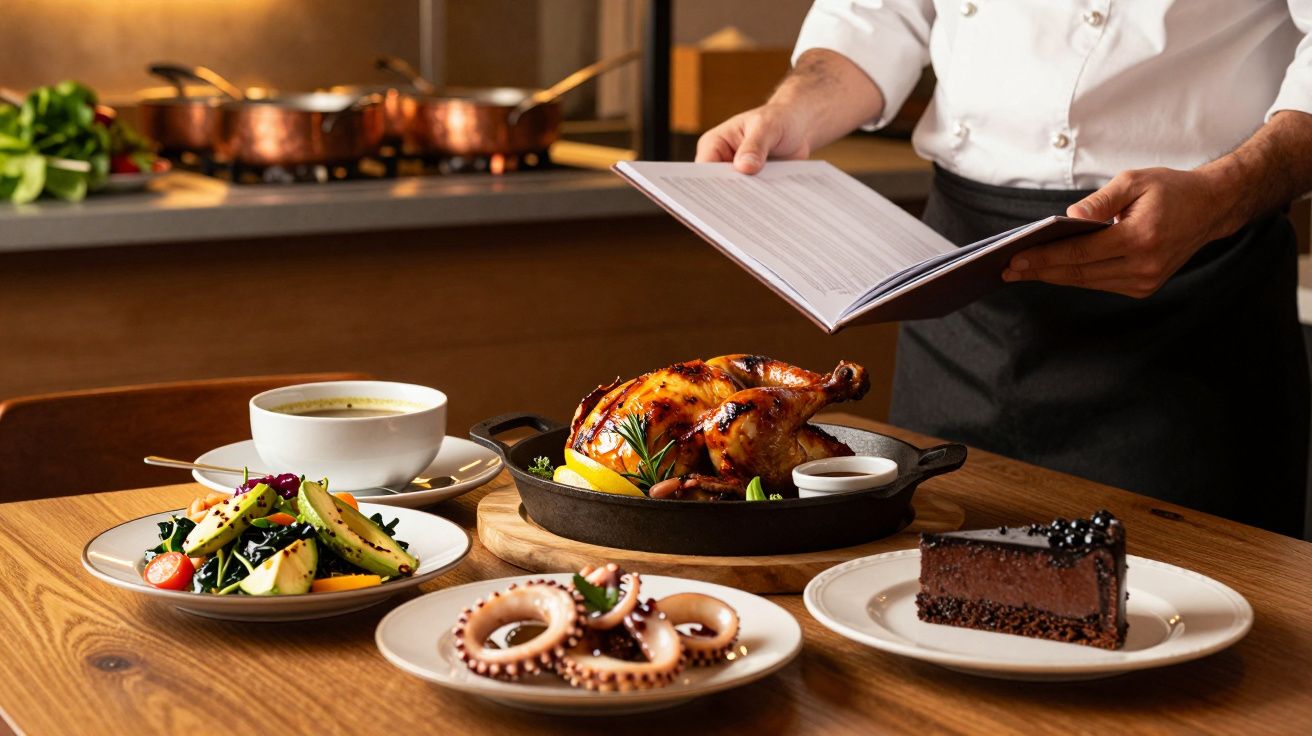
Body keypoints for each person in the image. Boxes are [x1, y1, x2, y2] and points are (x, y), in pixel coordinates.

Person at [697, 0, 1312, 537]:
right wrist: (794, 111)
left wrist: (1223, 195)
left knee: (1182, 595)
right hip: (957, 285)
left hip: (1189, 290)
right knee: (918, 571)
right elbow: (879, 13)